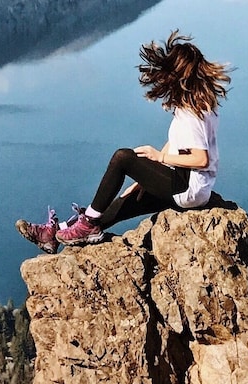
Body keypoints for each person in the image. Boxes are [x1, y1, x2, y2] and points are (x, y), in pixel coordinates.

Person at [16, 30, 231, 253]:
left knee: (123, 158)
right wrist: (145, 177)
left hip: (186, 189)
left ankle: (87, 224)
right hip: (190, 188)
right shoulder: (201, 106)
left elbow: (200, 158)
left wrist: (160, 158)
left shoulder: (190, 113)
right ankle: (54, 234)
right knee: (125, 202)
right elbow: (180, 145)